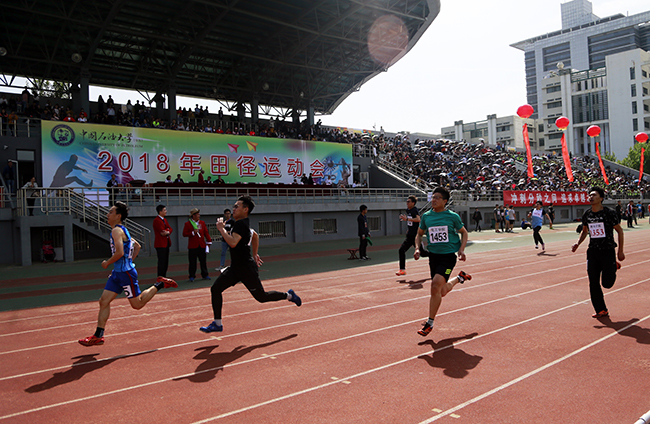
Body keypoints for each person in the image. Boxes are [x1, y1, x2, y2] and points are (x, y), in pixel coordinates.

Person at [78, 202, 177, 346]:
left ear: (118, 216)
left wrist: (108, 263)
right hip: (118, 273)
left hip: (125, 274)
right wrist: (124, 264)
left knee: (137, 305)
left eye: (110, 212)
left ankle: (160, 284)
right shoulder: (122, 230)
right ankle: (98, 335)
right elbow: (137, 246)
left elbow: (120, 252)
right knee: (103, 301)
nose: (107, 214)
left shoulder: (116, 231)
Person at [199, 196, 301, 333]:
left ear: (245, 209)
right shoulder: (242, 224)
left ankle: (289, 295)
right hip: (235, 269)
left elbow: (233, 242)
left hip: (247, 269)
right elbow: (255, 235)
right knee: (215, 289)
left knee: (262, 297)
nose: (233, 209)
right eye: (234, 206)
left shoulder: (241, 224)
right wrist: (255, 253)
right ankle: (217, 324)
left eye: (237, 206)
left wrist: (221, 229)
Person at [414, 187, 471, 337]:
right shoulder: (426, 217)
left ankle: (429, 323)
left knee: (434, 286)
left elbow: (464, 232)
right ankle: (459, 278)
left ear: (445, 201)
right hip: (434, 256)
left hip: (448, 256)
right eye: (433, 197)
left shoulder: (452, 217)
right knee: (441, 290)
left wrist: (462, 249)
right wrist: (417, 248)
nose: (433, 200)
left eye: (437, 198)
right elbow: (419, 234)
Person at [571, 187, 625, 318]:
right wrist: (578, 243)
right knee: (593, 281)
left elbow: (620, 231)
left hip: (607, 251)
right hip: (593, 252)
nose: (590, 197)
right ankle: (601, 309)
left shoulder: (609, 213)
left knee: (607, 284)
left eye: (594, 195)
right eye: (589, 195)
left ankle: (613, 266)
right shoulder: (587, 214)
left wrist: (620, 251)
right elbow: (585, 231)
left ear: (601, 198)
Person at [183, 207, 212, 281]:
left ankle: (205, 275)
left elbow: (206, 232)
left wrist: (209, 240)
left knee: (203, 261)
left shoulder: (202, 223)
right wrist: (192, 233)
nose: (199, 215)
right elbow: (184, 233)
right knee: (192, 262)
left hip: (201, 245)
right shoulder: (188, 224)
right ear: (194, 215)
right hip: (192, 246)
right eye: (197, 214)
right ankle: (192, 276)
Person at [396, 196, 420, 275]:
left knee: (423, 253)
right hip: (409, 235)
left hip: (415, 236)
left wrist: (407, 219)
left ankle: (434, 256)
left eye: (408, 201)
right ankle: (402, 269)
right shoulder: (408, 210)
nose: (407, 203)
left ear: (413, 203)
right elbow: (411, 222)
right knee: (401, 250)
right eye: (406, 201)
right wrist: (409, 227)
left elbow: (418, 219)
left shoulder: (414, 210)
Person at [153, 204, 173, 278]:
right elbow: (162, 231)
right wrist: (167, 231)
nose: (166, 211)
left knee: (165, 261)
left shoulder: (165, 220)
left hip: (166, 243)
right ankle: (160, 276)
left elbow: (170, 229)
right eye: (164, 210)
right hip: (160, 244)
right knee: (162, 261)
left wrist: (167, 231)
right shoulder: (157, 220)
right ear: (160, 211)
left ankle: (164, 276)